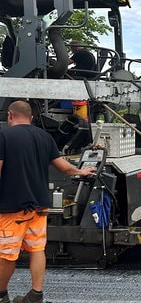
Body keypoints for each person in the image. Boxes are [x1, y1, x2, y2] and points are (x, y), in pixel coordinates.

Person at [0, 100, 96, 303]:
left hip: (12, 208)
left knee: (7, 254)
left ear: (9, 115)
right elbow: (63, 166)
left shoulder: (3, 136)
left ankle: (1, 296)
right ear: (31, 117)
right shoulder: (44, 137)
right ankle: (36, 294)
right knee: (37, 249)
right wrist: (81, 171)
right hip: (40, 206)